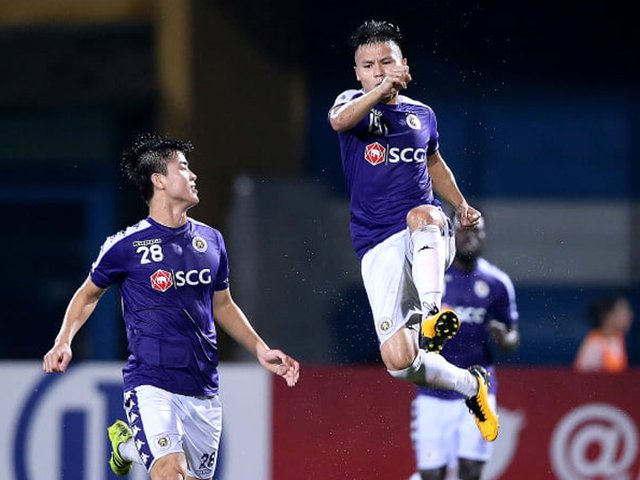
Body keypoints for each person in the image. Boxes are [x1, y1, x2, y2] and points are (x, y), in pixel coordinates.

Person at [43, 133, 300, 480]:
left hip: (203, 390)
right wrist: (63, 340)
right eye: (183, 167)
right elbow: (88, 294)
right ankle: (137, 449)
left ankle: (127, 448)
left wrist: (260, 348)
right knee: (170, 473)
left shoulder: (211, 240)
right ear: (159, 180)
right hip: (151, 382)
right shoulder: (125, 246)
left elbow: (223, 304)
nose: (193, 175)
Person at [328, 19, 498, 442]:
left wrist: (459, 204)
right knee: (399, 361)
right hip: (374, 244)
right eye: (368, 65)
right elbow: (339, 121)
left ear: (404, 64)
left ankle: (433, 313)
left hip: (427, 232)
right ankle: (470, 385)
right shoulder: (350, 104)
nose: (378, 71)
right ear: (357, 73)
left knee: (422, 215)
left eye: (387, 62)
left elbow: (434, 162)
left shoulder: (422, 114)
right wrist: (379, 92)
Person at [410, 217, 519, 480]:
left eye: (477, 231)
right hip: (433, 388)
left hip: (478, 387)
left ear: (485, 236)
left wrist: (504, 337)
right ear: (450, 234)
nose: (470, 237)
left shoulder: (497, 283)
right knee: (432, 474)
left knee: (471, 471)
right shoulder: (430, 276)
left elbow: (513, 336)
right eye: (463, 230)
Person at [574, 295, 634, 373]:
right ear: (607, 316)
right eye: (623, 313)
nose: (630, 317)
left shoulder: (618, 338)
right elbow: (584, 377)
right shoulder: (594, 345)